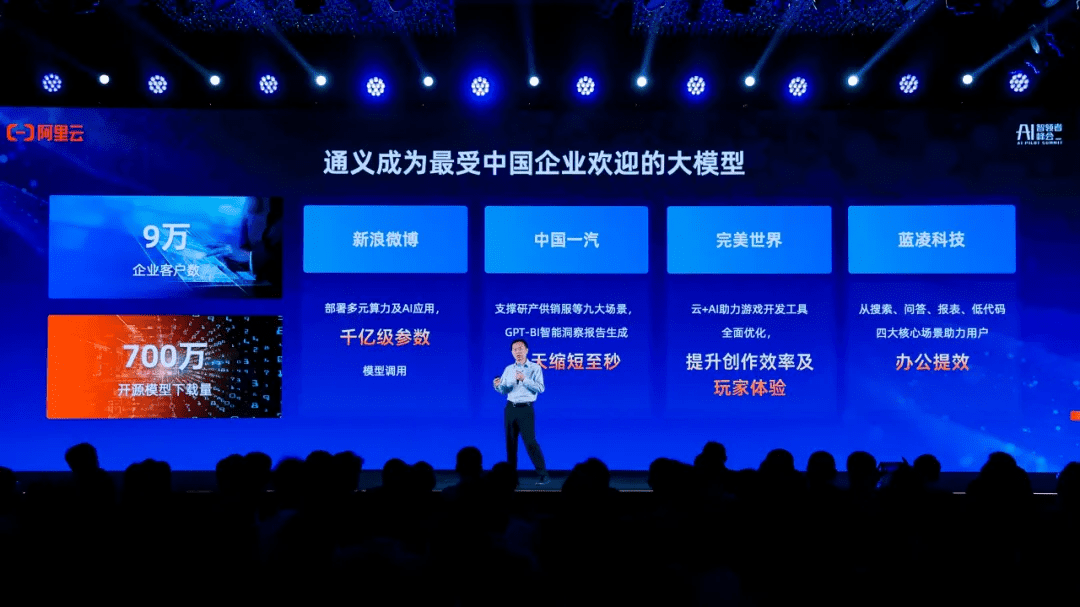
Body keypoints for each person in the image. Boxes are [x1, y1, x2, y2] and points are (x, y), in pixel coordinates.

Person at [493, 339, 550, 485]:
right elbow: (504, 390)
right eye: (515, 349)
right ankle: (511, 477)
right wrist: (498, 386)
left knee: (530, 442)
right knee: (510, 444)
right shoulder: (508, 369)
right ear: (512, 352)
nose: (518, 352)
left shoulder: (535, 368)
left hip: (526, 409)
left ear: (526, 350)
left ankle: (543, 474)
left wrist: (524, 379)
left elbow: (541, 388)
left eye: (520, 348)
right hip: (510, 408)